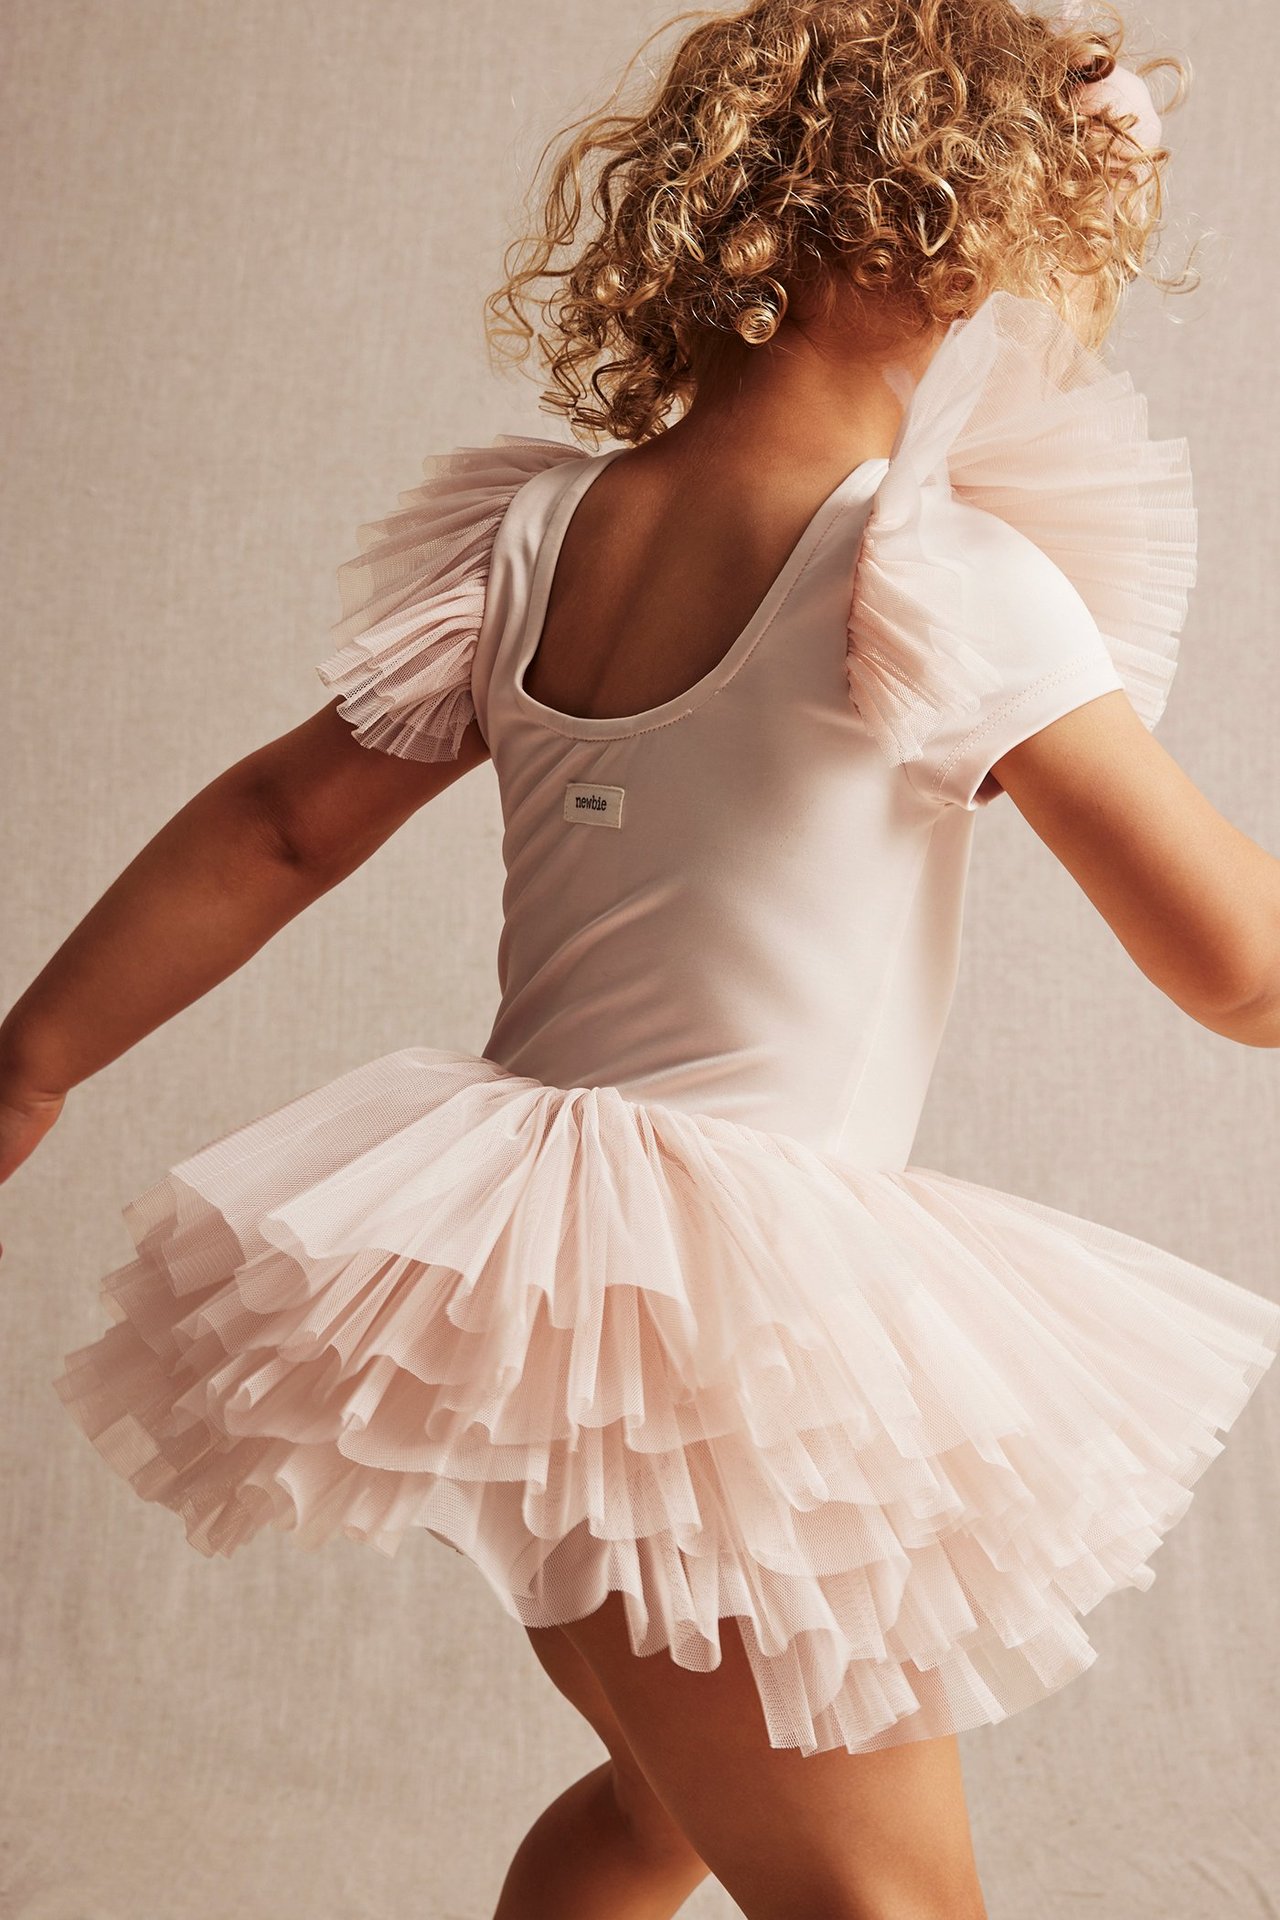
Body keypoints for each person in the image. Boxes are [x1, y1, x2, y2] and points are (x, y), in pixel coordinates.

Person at [4, 2, 1278, 1915]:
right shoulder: (927, 567)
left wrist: (32, 1057)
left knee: (657, 1813)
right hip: (729, 1353)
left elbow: (280, 820)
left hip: (540, 1312)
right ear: (956, 237)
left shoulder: (539, 531)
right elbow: (1239, 972)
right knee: (890, 1904)